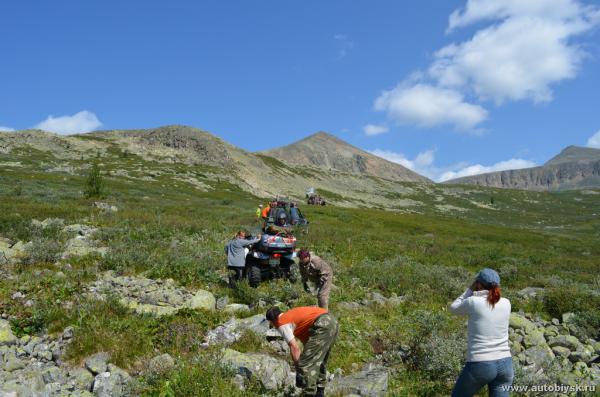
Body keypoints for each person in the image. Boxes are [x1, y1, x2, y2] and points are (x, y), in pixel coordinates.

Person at [449, 268, 513, 397]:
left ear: (478, 284)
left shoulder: (473, 302)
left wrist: (470, 289)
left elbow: (453, 308)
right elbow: (492, 300)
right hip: (506, 363)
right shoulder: (506, 303)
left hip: (480, 363)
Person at [266, 306, 338, 397]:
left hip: (322, 323)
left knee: (305, 363)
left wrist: (298, 371)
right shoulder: (291, 315)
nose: (273, 327)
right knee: (319, 359)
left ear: (271, 321)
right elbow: (307, 340)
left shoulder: (281, 323)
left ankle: (309, 393)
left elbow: (294, 347)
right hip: (331, 321)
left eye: (271, 324)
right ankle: (320, 392)